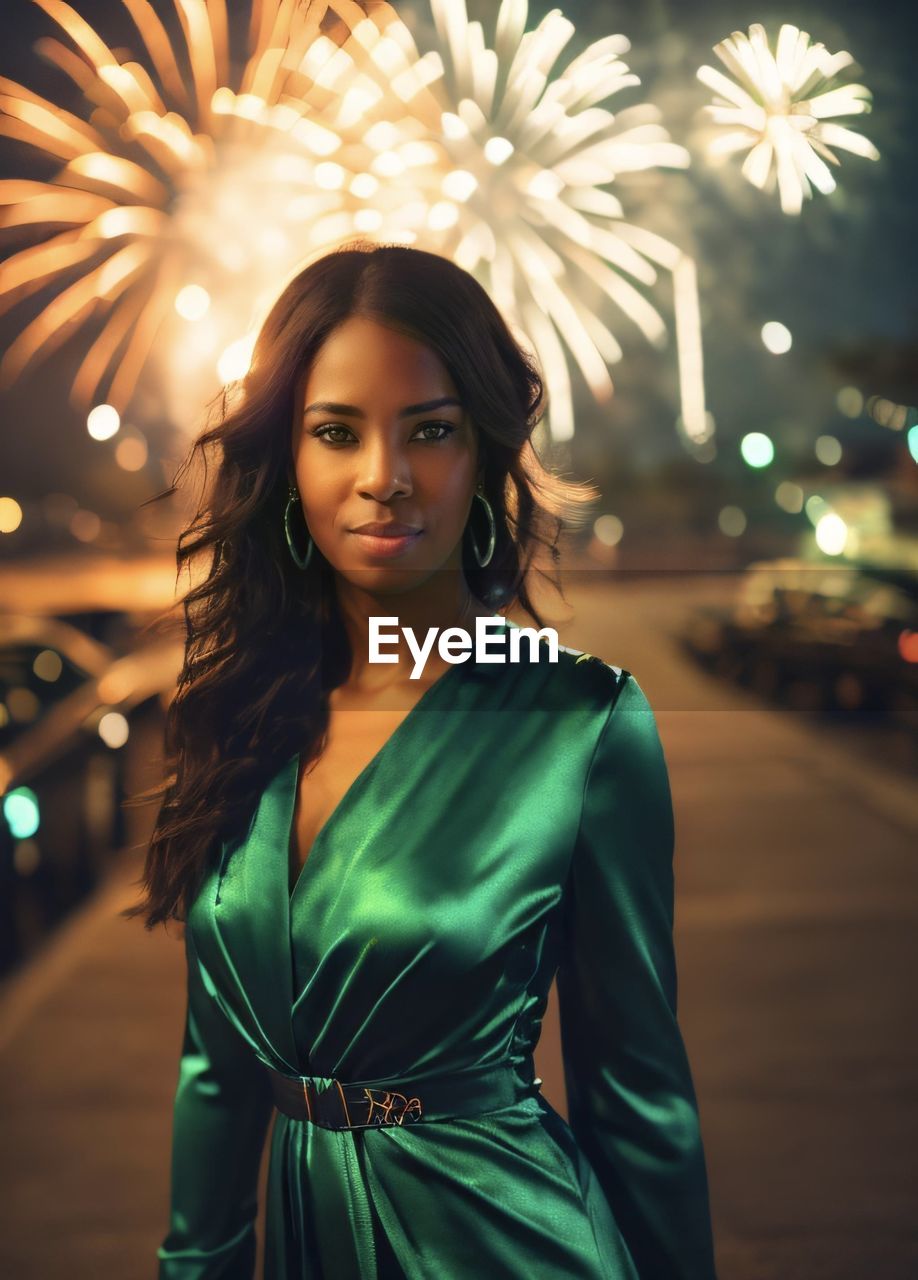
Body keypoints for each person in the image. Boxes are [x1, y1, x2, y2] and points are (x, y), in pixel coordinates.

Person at [124, 242, 717, 1278]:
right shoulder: (237, 712)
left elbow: (636, 1087)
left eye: (431, 431)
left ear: (484, 455)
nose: (384, 478)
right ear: (289, 460)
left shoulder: (579, 720)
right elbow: (214, 1070)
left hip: (513, 1242)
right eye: (336, 432)